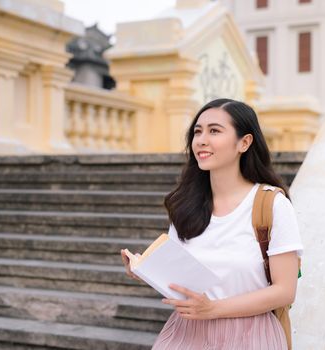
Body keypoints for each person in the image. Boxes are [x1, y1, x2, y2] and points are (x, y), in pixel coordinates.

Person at [121, 98, 304, 349]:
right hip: (187, 335)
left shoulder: (271, 204)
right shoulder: (185, 206)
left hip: (251, 336)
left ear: (244, 142)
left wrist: (214, 309)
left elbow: (285, 291)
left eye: (214, 131)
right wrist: (146, 271)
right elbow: (183, 283)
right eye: (198, 131)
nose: (202, 140)